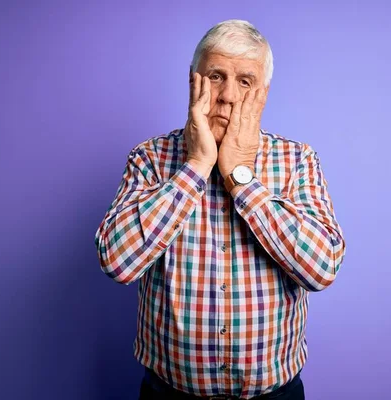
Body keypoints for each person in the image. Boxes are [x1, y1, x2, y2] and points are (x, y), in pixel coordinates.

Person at [94, 19, 346, 400]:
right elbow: (117, 261)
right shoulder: (149, 157)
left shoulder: (297, 160)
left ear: (263, 93)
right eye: (216, 75)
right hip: (170, 393)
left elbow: (322, 267)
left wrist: (240, 176)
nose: (228, 95)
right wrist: (196, 166)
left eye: (245, 81)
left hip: (273, 395)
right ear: (194, 81)